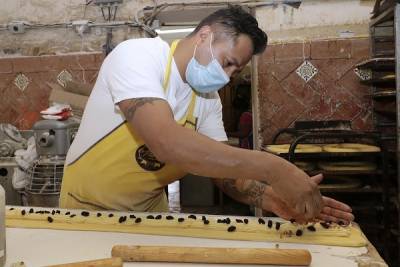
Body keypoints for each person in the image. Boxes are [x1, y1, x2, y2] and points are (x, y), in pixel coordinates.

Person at [59, 5, 354, 224]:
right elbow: (166, 142)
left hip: (148, 215)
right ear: (204, 36)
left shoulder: (208, 99)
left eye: (235, 71)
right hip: (87, 209)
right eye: (227, 62)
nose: (227, 78)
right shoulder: (137, 55)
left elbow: (224, 175)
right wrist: (276, 169)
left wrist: (276, 200)